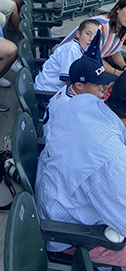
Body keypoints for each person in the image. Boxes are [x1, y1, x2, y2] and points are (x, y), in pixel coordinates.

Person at [35, 72, 126, 268]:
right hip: (68, 235)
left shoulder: (82, 101)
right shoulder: (113, 161)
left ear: (109, 89)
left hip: (51, 197)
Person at [43, 56, 117, 137]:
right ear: (79, 85)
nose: (101, 89)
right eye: (97, 85)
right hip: (57, 142)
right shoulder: (70, 107)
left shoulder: (71, 88)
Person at [60, 0, 126, 76]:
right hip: (68, 64)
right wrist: (117, 73)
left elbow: (116, 53)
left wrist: (124, 67)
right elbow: (93, 57)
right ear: (118, 8)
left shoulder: (122, 28)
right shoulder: (101, 26)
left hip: (88, 65)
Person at [34, 19, 101, 92]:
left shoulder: (85, 50)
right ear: (78, 34)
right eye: (88, 34)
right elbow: (69, 82)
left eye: (95, 36)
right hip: (47, 93)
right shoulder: (71, 50)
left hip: (56, 91)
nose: (91, 39)